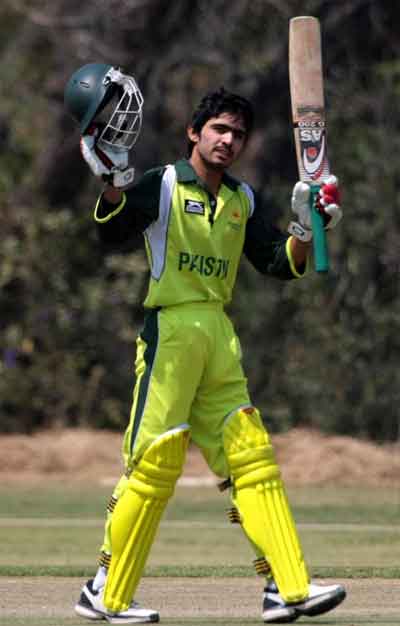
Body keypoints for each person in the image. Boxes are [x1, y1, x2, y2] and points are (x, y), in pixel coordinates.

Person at [64, 63, 346, 625]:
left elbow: (277, 262)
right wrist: (110, 183)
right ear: (194, 132)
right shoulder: (162, 184)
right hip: (170, 331)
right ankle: (106, 592)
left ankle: (287, 587)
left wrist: (308, 228)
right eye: (218, 128)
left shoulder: (243, 199)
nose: (228, 140)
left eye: (238, 133)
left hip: (218, 334)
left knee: (251, 457)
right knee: (153, 464)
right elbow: (112, 230)